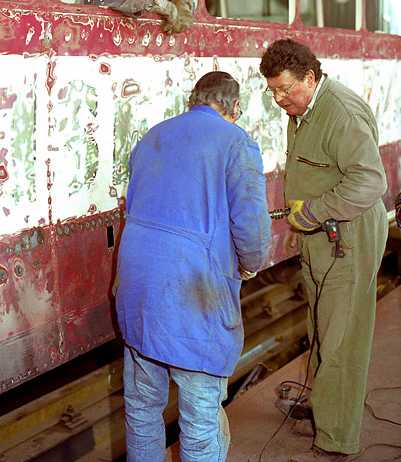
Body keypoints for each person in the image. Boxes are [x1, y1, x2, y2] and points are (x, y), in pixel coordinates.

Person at [113, 71, 271, 462]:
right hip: (193, 295)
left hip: (137, 288)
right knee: (200, 420)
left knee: (142, 409)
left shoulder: (152, 136)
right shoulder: (237, 142)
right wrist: (250, 265)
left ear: (193, 100)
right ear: (234, 108)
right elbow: (251, 229)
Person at [259, 39, 388, 462]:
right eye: (272, 91)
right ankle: (325, 413)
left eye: (285, 89)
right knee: (320, 330)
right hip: (321, 233)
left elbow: (370, 182)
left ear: (310, 79)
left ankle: (336, 442)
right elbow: (311, 171)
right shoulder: (303, 108)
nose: (279, 99)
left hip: (346, 236)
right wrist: (302, 225)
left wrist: (312, 212)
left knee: (341, 340)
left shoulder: (342, 113)